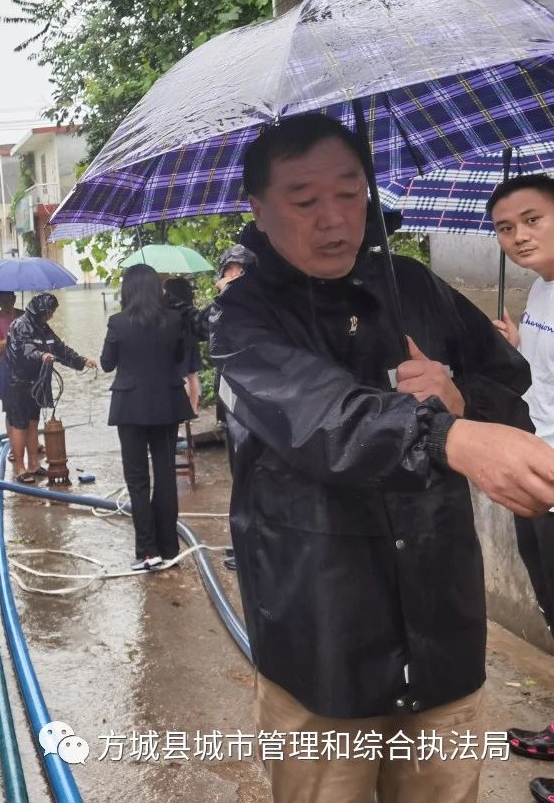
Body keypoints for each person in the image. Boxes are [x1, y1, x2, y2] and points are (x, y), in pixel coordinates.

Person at [210, 114, 554, 802]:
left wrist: (458, 398)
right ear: (258, 207)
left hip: (443, 632)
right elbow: (321, 417)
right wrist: (444, 435)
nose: (334, 219)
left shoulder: (415, 287)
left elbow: (511, 390)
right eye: (305, 201)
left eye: (350, 191)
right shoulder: (244, 317)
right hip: (321, 638)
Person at [486, 174, 554, 796]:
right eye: (506, 228)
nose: (519, 237)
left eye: (532, 219)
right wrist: (515, 345)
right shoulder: (538, 293)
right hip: (535, 465)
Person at [103, 265, 195, 570]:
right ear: (157, 290)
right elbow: (180, 358)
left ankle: (147, 551)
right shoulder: (173, 320)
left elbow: (106, 364)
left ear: (127, 290)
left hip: (129, 407)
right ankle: (169, 547)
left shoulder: (117, 322)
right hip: (167, 405)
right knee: (166, 477)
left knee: (137, 480)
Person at [3, 292, 97, 481]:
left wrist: (82, 361)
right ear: (41, 311)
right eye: (50, 312)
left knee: (33, 423)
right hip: (18, 382)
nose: (52, 315)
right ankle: (20, 469)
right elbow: (24, 349)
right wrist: (41, 355)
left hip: (37, 383)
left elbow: (60, 349)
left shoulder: (44, 328)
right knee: (20, 424)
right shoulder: (20, 325)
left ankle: (33, 465)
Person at [0, 291, 24, 452]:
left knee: (30, 408)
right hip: (7, 368)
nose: (5, 303)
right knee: (10, 409)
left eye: (8, 299)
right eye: (1, 301)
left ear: (14, 299)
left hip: (26, 366)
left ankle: (32, 443)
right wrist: (13, 334)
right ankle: (13, 447)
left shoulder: (24, 316)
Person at [162, 276, 203, 415]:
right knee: (193, 376)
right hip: (192, 341)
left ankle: (182, 414)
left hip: (179, 343)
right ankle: (193, 412)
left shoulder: (171, 307)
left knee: (181, 378)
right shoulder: (188, 304)